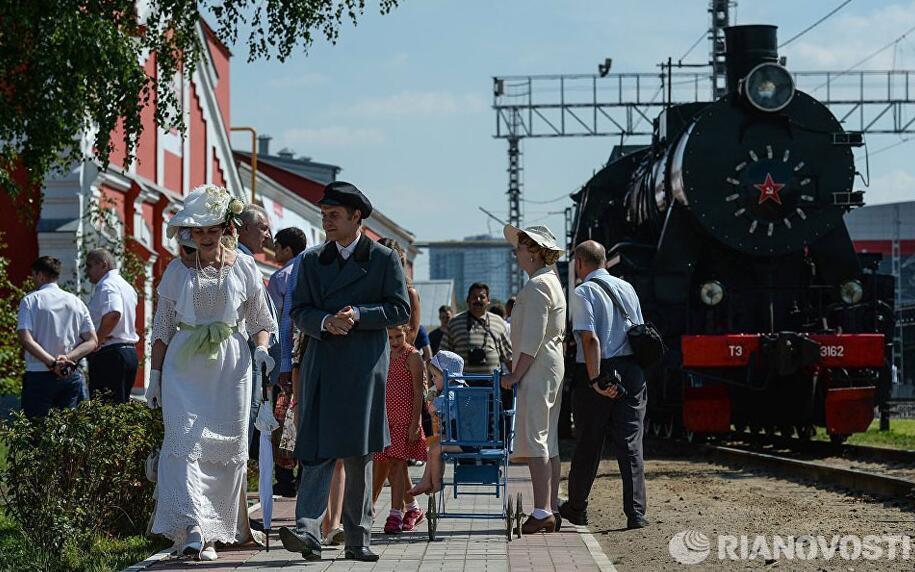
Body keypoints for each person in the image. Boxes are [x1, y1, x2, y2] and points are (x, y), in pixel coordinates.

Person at [279, 181, 410, 563]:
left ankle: (358, 538)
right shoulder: (312, 259)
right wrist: (323, 322)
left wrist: (357, 315)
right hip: (322, 365)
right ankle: (307, 530)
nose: (327, 222)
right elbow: (299, 310)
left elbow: (399, 310)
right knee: (316, 451)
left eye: (334, 216)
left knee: (358, 455)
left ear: (357, 217)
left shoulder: (383, 258)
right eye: (323, 216)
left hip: (363, 368)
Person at [146, 185, 277, 561]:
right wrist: (153, 377)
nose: (204, 237)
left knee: (227, 448)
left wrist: (264, 348)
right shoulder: (176, 271)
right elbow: (162, 328)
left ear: (226, 229)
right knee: (185, 443)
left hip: (232, 367)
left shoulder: (245, 266)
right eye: (198, 231)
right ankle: (194, 528)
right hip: (184, 368)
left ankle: (217, 530)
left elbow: (259, 320)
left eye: (212, 230)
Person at [559, 240, 649, 530]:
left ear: (580, 264)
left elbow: (590, 339)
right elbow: (639, 330)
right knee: (630, 444)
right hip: (632, 372)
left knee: (588, 443)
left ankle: (576, 508)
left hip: (597, 372)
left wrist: (596, 379)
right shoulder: (627, 288)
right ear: (606, 262)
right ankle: (636, 514)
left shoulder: (583, 291)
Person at [499, 224, 566, 534]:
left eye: (522, 247)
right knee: (548, 439)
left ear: (535, 251)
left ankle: (542, 511)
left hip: (537, 367)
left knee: (536, 437)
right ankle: (550, 506)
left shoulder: (537, 286)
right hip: (550, 365)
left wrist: (514, 375)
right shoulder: (551, 282)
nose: (517, 252)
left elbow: (531, 339)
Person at [371, 237, 425, 531]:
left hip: (401, 371)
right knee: (388, 453)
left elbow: (411, 334)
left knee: (392, 454)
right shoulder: (377, 289)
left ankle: (373, 508)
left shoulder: (409, 292)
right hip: (380, 371)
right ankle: (410, 506)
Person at [17, 257, 98, 418]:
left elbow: (26, 339)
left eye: (33, 276)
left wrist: (53, 363)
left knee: (36, 431)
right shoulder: (76, 302)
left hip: (39, 372)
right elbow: (92, 341)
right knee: (66, 431)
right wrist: (67, 358)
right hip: (69, 373)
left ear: (40, 275)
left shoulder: (30, 301)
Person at [267, 227, 308, 497]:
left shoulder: (280, 278)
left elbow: (276, 321)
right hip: (308, 357)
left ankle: (284, 477)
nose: (274, 252)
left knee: (283, 417)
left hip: (285, 359)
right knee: (304, 416)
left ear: (287, 250)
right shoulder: (311, 272)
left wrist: (281, 364)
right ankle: (305, 473)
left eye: (277, 247)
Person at [374, 324, 426, 534]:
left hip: (405, 420)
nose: (394, 342)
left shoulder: (412, 357)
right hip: (386, 420)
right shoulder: (384, 354)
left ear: (409, 333)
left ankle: (395, 513)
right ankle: (413, 508)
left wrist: (415, 423)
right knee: (394, 465)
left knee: (395, 464)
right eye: (390, 337)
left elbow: (418, 392)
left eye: (399, 336)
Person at [85, 248, 140, 403]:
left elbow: (114, 314)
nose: (86, 271)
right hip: (127, 352)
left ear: (103, 264)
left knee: (105, 411)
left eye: (89, 266)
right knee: (119, 410)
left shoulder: (107, 285)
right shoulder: (126, 286)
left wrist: (96, 341)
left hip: (110, 354)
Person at [407, 350, 465, 496]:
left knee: (434, 450)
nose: (433, 380)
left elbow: (431, 408)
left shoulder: (451, 393)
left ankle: (436, 484)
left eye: (435, 376)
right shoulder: (462, 389)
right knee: (434, 448)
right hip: (465, 438)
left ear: (447, 376)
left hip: (464, 442)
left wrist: (432, 391)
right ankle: (426, 481)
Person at [440, 283, 512, 375]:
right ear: (468, 300)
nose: (478, 300)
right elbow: (442, 355)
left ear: (488, 300)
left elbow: (509, 357)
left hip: (492, 385)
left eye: (482, 297)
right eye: (474, 297)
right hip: (460, 385)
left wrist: (516, 382)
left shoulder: (498, 322)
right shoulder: (454, 322)